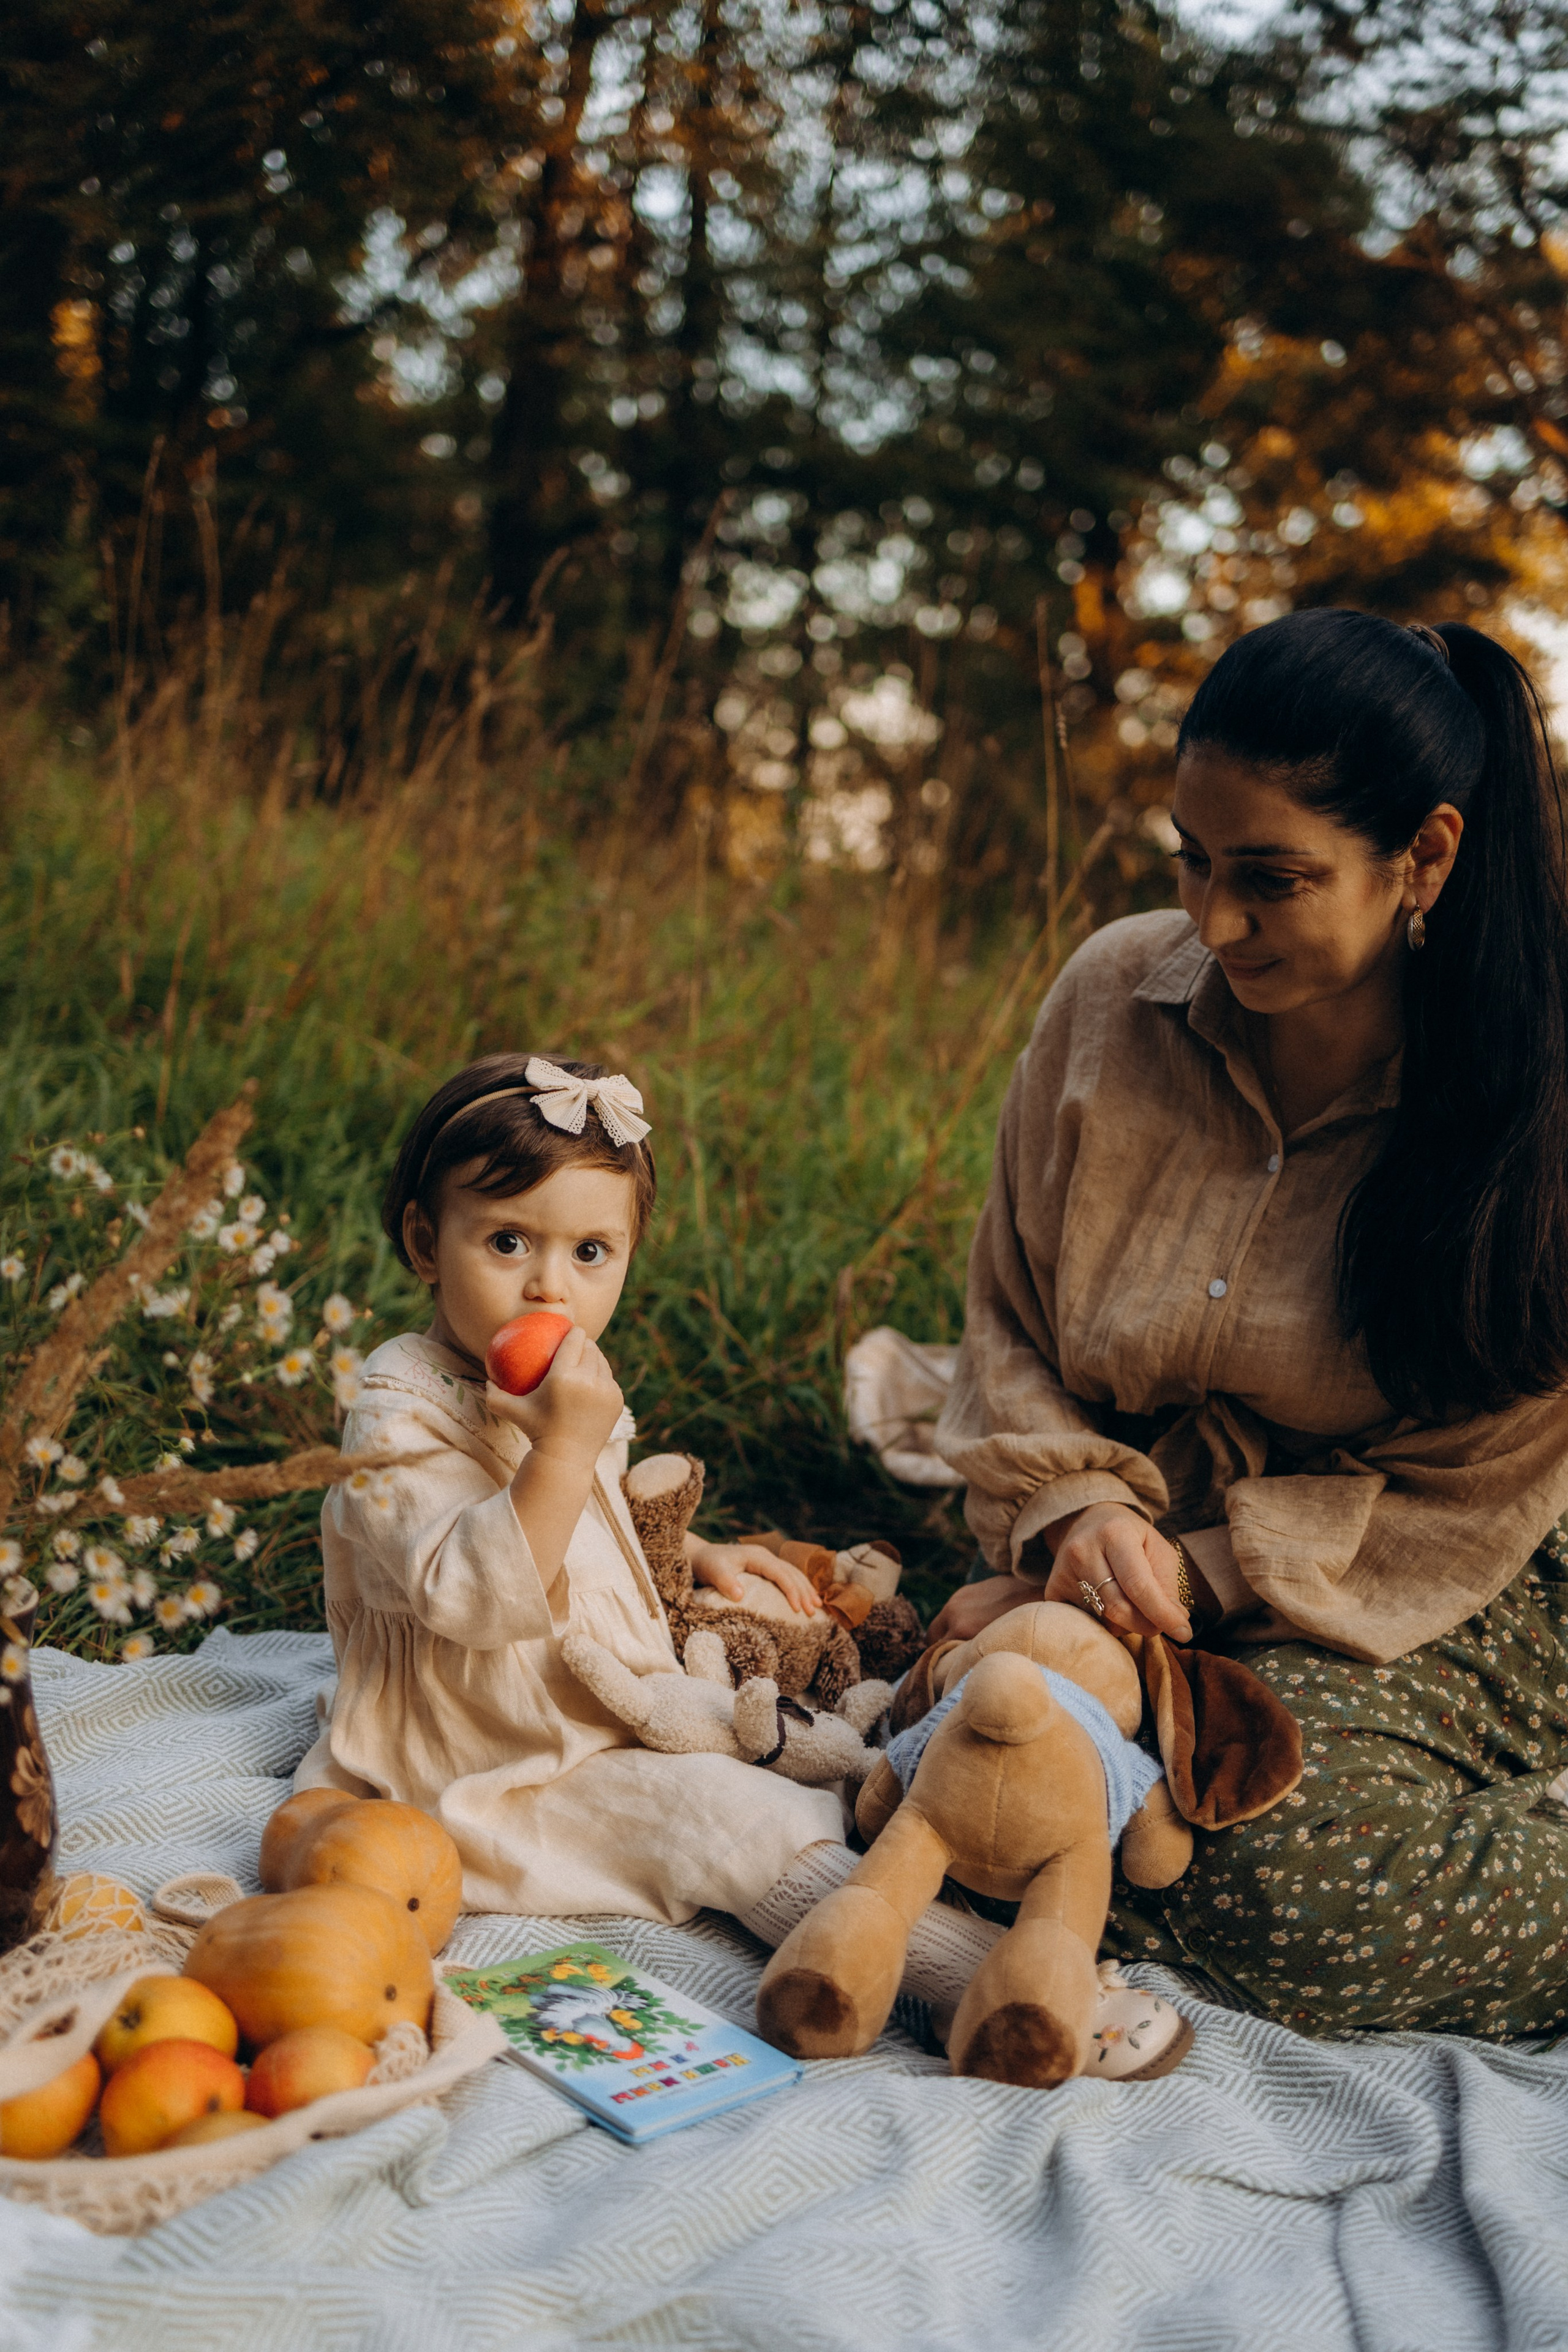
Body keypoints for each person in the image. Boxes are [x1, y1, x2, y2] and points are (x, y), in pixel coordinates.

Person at [929, 611, 1568, 2039]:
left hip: (1452, 1556)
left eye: (1270, 880)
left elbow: (1473, 1490)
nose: (1213, 923)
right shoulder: (1111, 996)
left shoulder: (1529, 1098)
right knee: (985, 1775)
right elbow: (1004, 1320)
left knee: (1271, 1881)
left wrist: (1193, 1574)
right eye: (1191, 859)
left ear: (1425, 858)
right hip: (1132, 1526)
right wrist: (1078, 1511)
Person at [295, 1054, 1049, 2047]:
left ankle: (989, 1860)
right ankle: (990, 1980)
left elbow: (588, 1510)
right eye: (509, 1241)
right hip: (495, 1754)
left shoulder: (560, 1374)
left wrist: (690, 1550)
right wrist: (564, 1447)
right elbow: (473, 1597)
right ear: (426, 1243)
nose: (549, 1286)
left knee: (806, 1745)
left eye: (591, 1252)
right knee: (721, 1819)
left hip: (605, 1691)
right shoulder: (398, 1411)